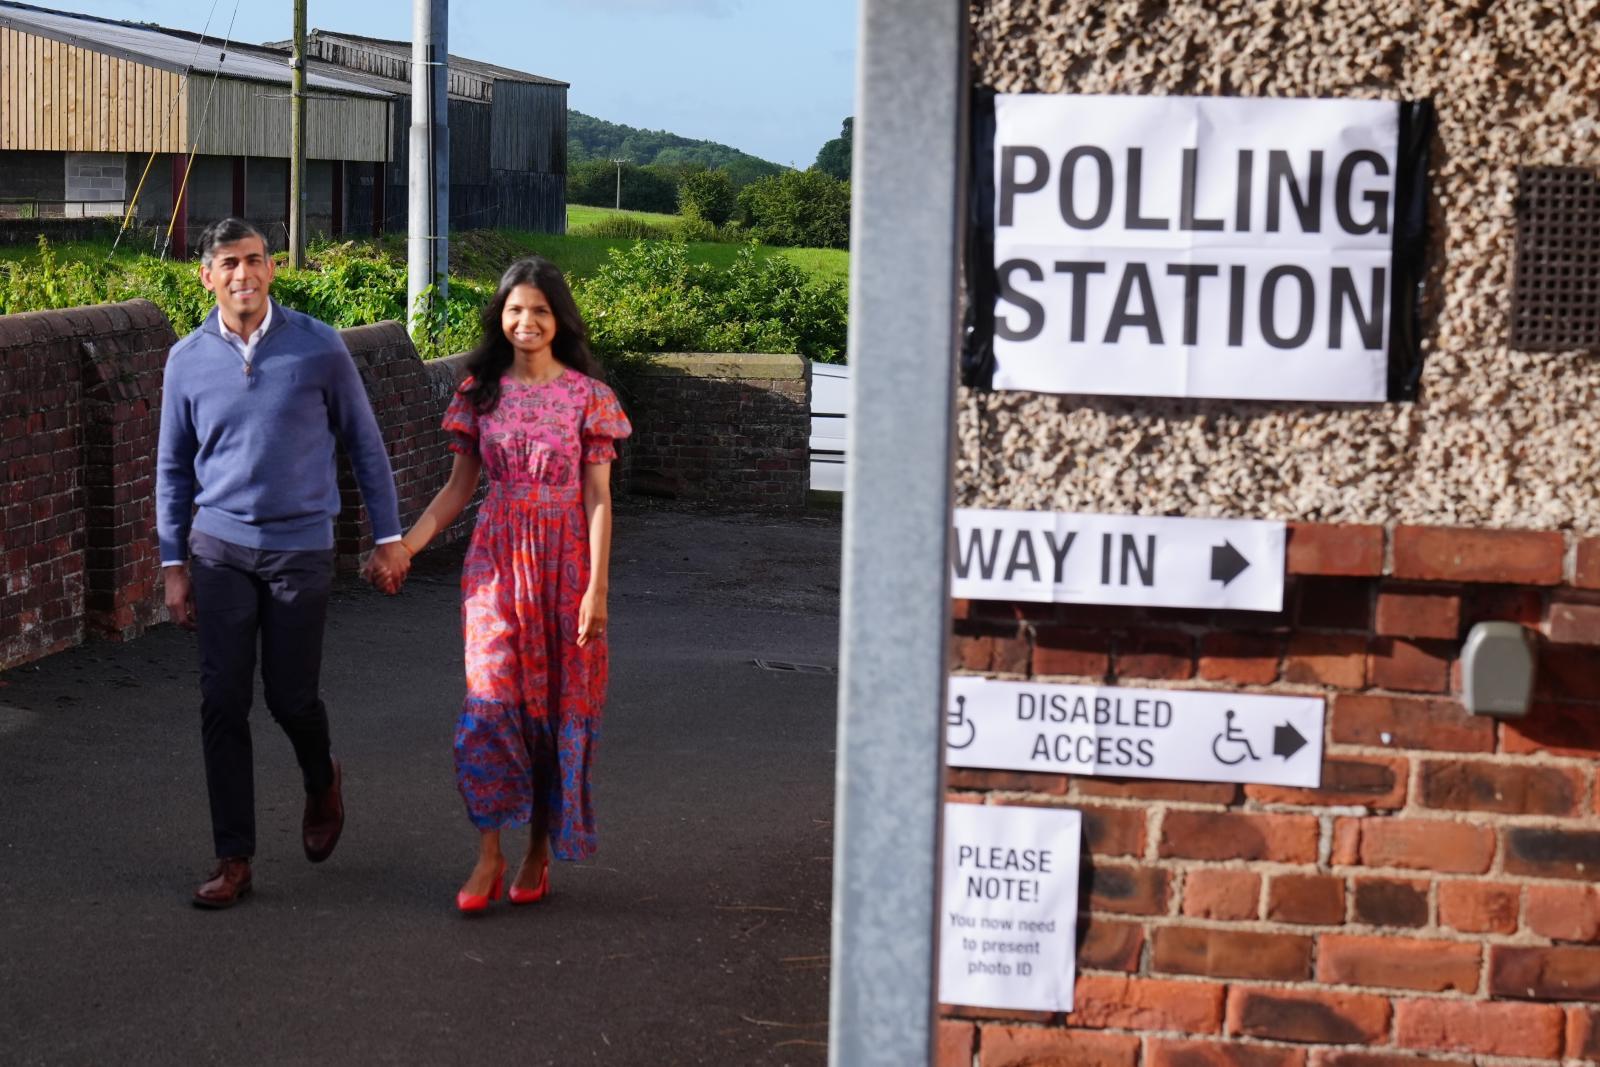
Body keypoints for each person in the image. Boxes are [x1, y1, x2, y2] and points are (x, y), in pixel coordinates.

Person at [156, 217, 411, 909]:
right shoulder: (185, 360)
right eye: (229, 263)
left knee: (290, 696)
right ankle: (234, 857)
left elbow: (364, 444)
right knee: (222, 698)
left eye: (256, 260)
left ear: (272, 270)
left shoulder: (318, 346)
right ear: (206, 276)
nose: (245, 274)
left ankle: (320, 776)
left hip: (301, 546)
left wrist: (389, 536)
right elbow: (173, 468)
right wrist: (173, 563)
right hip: (220, 547)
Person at [370, 256, 629, 914]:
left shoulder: (588, 398)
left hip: (567, 565)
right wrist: (406, 544)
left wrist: (597, 589)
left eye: (539, 309)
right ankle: (488, 852)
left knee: (550, 715)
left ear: (559, 318)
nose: (526, 321)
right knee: (487, 706)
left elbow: (598, 499)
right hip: (494, 562)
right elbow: (458, 490)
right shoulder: (479, 392)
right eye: (515, 309)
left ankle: (538, 847)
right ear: (501, 316)